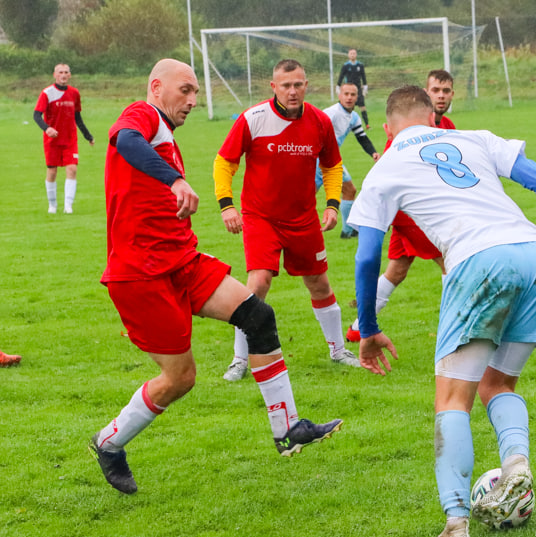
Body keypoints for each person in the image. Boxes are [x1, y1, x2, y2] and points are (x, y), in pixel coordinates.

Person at [349, 86, 536, 537]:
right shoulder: (476, 137)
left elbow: (367, 256)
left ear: (388, 127)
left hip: (478, 262)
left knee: (452, 399)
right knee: (498, 381)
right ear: (433, 116)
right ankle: (516, 465)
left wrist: (367, 327)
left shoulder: (384, 166)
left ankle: (455, 527)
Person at [91, 59, 342, 495]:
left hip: (182, 261)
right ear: (156, 87)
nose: (192, 100)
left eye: (196, 93)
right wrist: (174, 181)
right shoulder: (142, 116)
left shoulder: (166, 132)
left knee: (258, 315)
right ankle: (109, 443)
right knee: (180, 380)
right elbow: (126, 140)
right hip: (141, 275)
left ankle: (288, 429)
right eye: (185, 90)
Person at [214, 59, 361, 383]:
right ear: (273, 87)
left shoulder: (320, 121)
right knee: (258, 283)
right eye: (286, 85)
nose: (292, 91)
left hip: (303, 218)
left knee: (319, 284)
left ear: (306, 85)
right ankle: (239, 360)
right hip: (260, 217)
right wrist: (227, 205)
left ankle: (338, 350)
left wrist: (333, 205)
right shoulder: (253, 119)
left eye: (298, 84)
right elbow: (225, 162)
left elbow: (333, 167)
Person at [345, 69, 456, 342]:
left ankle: (359, 328)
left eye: (446, 91)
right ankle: (454, 332)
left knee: (397, 270)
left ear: (452, 94)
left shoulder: (450, 127)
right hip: (412, 211)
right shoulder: (408, 127)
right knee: (450, 261)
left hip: (408, 211)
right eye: (435, 91)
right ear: (425, 95)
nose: (441, 96)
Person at [315, 82, 380, 239]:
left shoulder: (354, 117)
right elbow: (314, 133)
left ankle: (347, 231)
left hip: (332, 161)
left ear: (357, 97)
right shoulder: (331, 113)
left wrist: (373, 153)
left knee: (349, 189)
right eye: (346, 94)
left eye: (353, 94)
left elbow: (362, 137)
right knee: (305, 198)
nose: (349, 97)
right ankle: (300, 231)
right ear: (340, 95)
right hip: (318, 160)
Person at [34, 63, 95, 214]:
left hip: (69, 140)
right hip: (52, 141)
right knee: (52, 172)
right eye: (60, 72)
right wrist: (47, 128)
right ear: (54, 75)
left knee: (72, 169)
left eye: (66, 72)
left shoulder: (74, 93)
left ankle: (68, 206)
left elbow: (77, 118)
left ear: (69, 75)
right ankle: (52, 205)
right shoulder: (47, 93)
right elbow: (36, 115)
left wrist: (88, 136)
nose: (63, 75)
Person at [336, 49, 369, 128]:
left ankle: (367, 124)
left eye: (354, 53)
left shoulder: (360, 65)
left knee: (362, 106)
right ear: (348, 55)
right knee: (345, 107)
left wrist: (365, 86)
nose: (352, 55)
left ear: (356, 55)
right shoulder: (346, 65)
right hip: (348, 90)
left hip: (358, 89)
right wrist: (338, 86)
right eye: (351, 54)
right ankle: (341, 124)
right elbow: (341, 76)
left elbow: (363, 76)